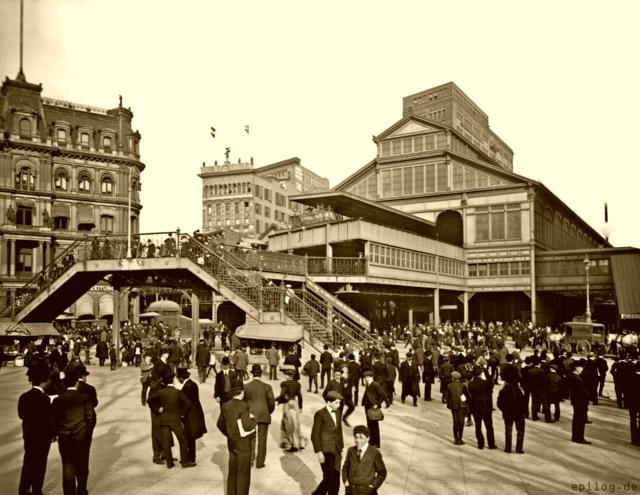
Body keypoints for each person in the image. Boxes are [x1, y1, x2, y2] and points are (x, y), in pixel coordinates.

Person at [51, 368, 97, 495]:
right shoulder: (85, 398)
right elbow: (91, 418)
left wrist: (57, 433)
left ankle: (69, 492)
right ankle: (81, 489)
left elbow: (54, 420)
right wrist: (86, 431)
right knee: (82, 464)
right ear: (77, 382)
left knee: (67, 466)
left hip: (65, 437)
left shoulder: (58, 400)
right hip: (82, 437)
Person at [18, 361, 54, 495]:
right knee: (40, 464)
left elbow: (21, 414)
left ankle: (23, 489)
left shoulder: (24, 397)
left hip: (29, 435)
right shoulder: (45, 400)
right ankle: (37, 490)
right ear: (43, 382)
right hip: (42, 437)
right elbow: (49, 419)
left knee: (28, 462)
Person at [217, 377, 256, 495]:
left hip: (232, 442)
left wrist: (229, 433)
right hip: (243, 444)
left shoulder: (225, 405)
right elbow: (247, 426)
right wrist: (254, 420)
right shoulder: (244, 406)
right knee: (243, 474)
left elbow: (220, 424)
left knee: (232, 472)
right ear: (242, 392)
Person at [147, 371, 195, 468]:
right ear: (173, 381)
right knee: (183, 440)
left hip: (164, 420)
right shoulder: (177, 392)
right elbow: (188, 403)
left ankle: (169, 463)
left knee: (166, 441)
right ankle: (185, 462)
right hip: (175, 420)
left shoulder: (161, 392)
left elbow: (150, 400)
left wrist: (158, 409)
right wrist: (182, 413)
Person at [311, 391, 344, 495]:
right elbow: (314, 435)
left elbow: (339, 431)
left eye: (339, 403)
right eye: (336, 403)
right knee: (329, 478)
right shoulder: (320, 414)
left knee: (336, 479)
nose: (338, 406)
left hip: (337, 450)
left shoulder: (338, 413)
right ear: (329, 402)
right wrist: (319, 452)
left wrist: (341, 447)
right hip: (325, 451)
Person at [243, 363, 275, 469]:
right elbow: (271, 402)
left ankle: (251, 459)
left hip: (251, 415)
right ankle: (260, 462)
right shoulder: (267, 387)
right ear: (260, 374)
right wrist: (268, 411)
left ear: (252, 374)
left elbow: (243, 402)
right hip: (263, 414)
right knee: (262, 439)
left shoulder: (246, 386)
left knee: (251, 438)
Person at [342, 425, 387, 495]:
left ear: (368, 438)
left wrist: (372, 486)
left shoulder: (374, 453)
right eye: (356, 437)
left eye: (361, 438)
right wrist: (346, 481)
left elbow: (382, 473)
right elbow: (345, 468)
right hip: (351, 490)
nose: (358, 440)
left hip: (367, 491)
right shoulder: (351, 450)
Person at [176, 368, 207, 464]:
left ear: (181, 378)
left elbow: (187, 403)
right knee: (190, 437)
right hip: (194, 413)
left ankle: (191, 458)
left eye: (178, 378)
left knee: (189, 437)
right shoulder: (192, 384)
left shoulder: (188, 386)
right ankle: (189, 457)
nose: (178, 380)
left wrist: (181, 414)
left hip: (190, 415)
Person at [277, 364, 305, 452]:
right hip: (295, 403)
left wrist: (276, 401)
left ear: (286, 375)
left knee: (288, 424)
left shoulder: (284, 384)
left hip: (287, 404)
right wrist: (300, 407)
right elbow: (300, 397)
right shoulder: (297, 384)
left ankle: (292, 444)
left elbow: (282, 395)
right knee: (296, 423)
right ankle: (301, 443)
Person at [468, 365, 496, 450]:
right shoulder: (486, 383)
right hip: (486, 406)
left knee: (478, 426)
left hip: (475, 406)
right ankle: (491, 444)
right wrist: (486, 371)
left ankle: (480, 443)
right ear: (481, 374)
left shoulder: (471, 384)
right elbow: (491, 383)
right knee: (489, 426)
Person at [497, 371, 526, 453]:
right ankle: (519, 448)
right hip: (519, 413)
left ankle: (508, 448)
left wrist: (504, 409)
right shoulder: (519, 391)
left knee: (508, 431)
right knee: (520, 431)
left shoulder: (503, 391)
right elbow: (524, 402)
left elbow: (499, 403)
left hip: (508, 413)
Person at [361, 370, 386, 448]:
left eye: (368, 377)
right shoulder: (368, 384)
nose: (366, 379)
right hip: (367, 406)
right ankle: (371, 441)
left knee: (374, 426)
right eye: (365, 377)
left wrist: (377, 404)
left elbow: (383, 396)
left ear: (372, 377)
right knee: (369, 424)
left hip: (373, 407)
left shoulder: (376, 385)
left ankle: (376, 443)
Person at [568, 360, 591, 444]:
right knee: (580, 421)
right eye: (580, 367)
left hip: (576, 401)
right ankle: (579, 438)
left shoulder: (572, 376)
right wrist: (588, 394)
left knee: (576, 420)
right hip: (580, 402)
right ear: (576, 368)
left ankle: (575, 437)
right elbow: (583, 391)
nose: (582, 369)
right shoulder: (577, 378)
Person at [446, 371, 469, 445]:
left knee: (455, 422)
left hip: (454, 406)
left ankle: (456, 438)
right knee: (461, 423)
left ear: (453, 378)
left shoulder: (449, 385)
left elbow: (447, 396)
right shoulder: (463, 386)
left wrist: (450, 403)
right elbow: (467, 396)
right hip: (462, 406)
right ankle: (460, 439)